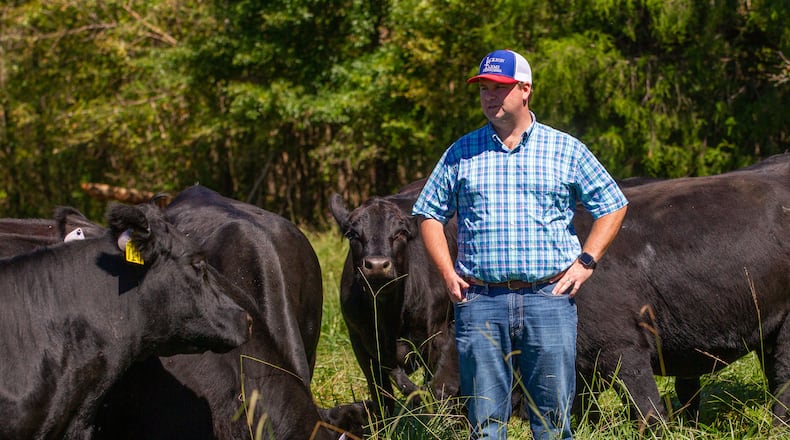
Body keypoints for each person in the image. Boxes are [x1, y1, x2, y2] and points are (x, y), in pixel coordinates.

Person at [412, 49, 628, 439]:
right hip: (480, 301)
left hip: (548, 298)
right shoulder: (462, 152)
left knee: (550, 419)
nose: (490, 97)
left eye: (500, 88)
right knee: (485, 422)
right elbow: (428, 213)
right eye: (484, 90)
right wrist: (447, 270)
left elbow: (612, 205)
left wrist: (586, 261)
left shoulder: (566, 149)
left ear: (525, 89)